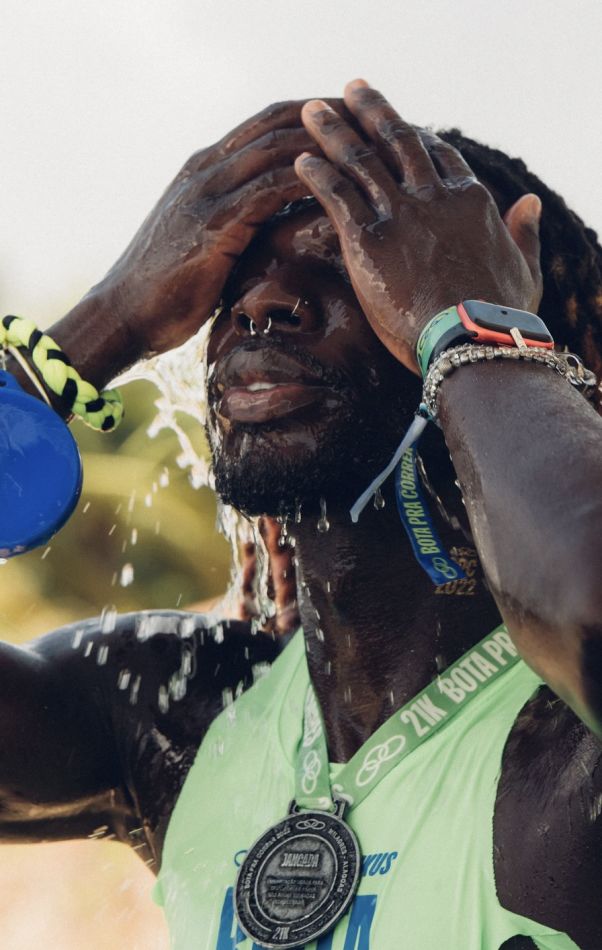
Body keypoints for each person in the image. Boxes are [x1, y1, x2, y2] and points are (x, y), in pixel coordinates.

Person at [1, 80, 602, 950]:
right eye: (232, 287)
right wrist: (102, 325)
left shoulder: (564, 740)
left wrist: (474, 325)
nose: (260, 304)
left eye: (350, 261)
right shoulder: (181, 715)